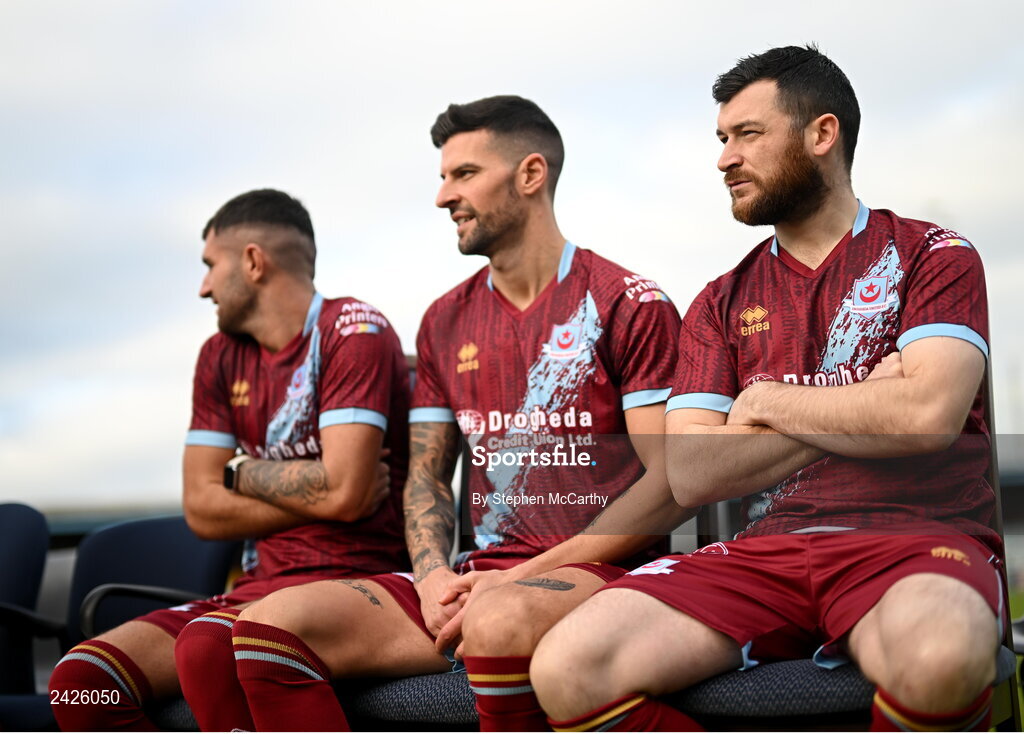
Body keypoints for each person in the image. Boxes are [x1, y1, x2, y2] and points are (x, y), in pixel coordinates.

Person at [531, 45, 1003, 733]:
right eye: (722, 139)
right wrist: (865, 405)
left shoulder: (936, 255)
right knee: (568, 666)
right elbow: (691, 472)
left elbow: (927, 415)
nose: (724, 159)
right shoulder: (719, 301)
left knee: (939, 654)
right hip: (765, 553)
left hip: (912, 538)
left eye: (747, 135)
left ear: (821, 134)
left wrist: (761, 404)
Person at [217, 95, 687, 732]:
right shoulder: (443, 319)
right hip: (478, 579)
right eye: (443, 176)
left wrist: (518, 578)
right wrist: (434, 576)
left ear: (530, 175)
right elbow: (428, 477)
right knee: (269, 627)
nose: (443, 196)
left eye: (463, 174)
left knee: (497, 621)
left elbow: (670, 484)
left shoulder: (630, 302)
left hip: (599, 575)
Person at [48, 189, 411, 731]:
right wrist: (322, 493)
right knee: (80, 685)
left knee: (209, 648)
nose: (203, 287)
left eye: (209, 266)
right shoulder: (218, 356)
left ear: (252, 261)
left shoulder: (353, 328)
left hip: (355, 582)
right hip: (256, 587)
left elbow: (348, 492)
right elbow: (202, 508)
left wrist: (242, 473)